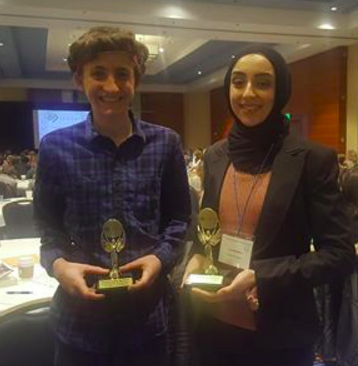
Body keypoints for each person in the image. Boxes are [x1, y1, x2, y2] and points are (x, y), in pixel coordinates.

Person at [183, 45, 354, 366]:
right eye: (238, 82)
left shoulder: (312, 159)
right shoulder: (217, 156)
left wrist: (261, 275)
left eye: (262, 83)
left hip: (280, 334)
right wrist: (195, 258)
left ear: (280, 91)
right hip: (213, 325)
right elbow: (208, 231)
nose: (248, 93)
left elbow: (340, 255)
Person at [34, 26, 191, 366]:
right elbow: (48, 230)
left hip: (147, 321)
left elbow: (179, 220)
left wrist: (160, 259)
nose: (111, 86)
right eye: (98, 74)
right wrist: (60, 267)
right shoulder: (55, 147)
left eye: (123, 74)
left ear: (137, 79)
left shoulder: (165, 144)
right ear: (79, 79)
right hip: (79, 325)